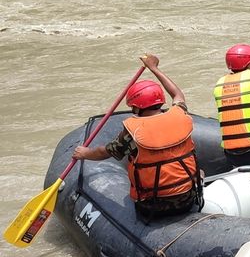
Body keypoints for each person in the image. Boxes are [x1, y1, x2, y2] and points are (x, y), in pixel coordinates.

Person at [73, 54, 202, 221]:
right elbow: (177, 94)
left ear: (136, 107)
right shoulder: (180, 115)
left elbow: (104, 152)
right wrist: (154, 68)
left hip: (152, 206)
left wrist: (84, 154)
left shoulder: (133, 133)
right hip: (187, 199)